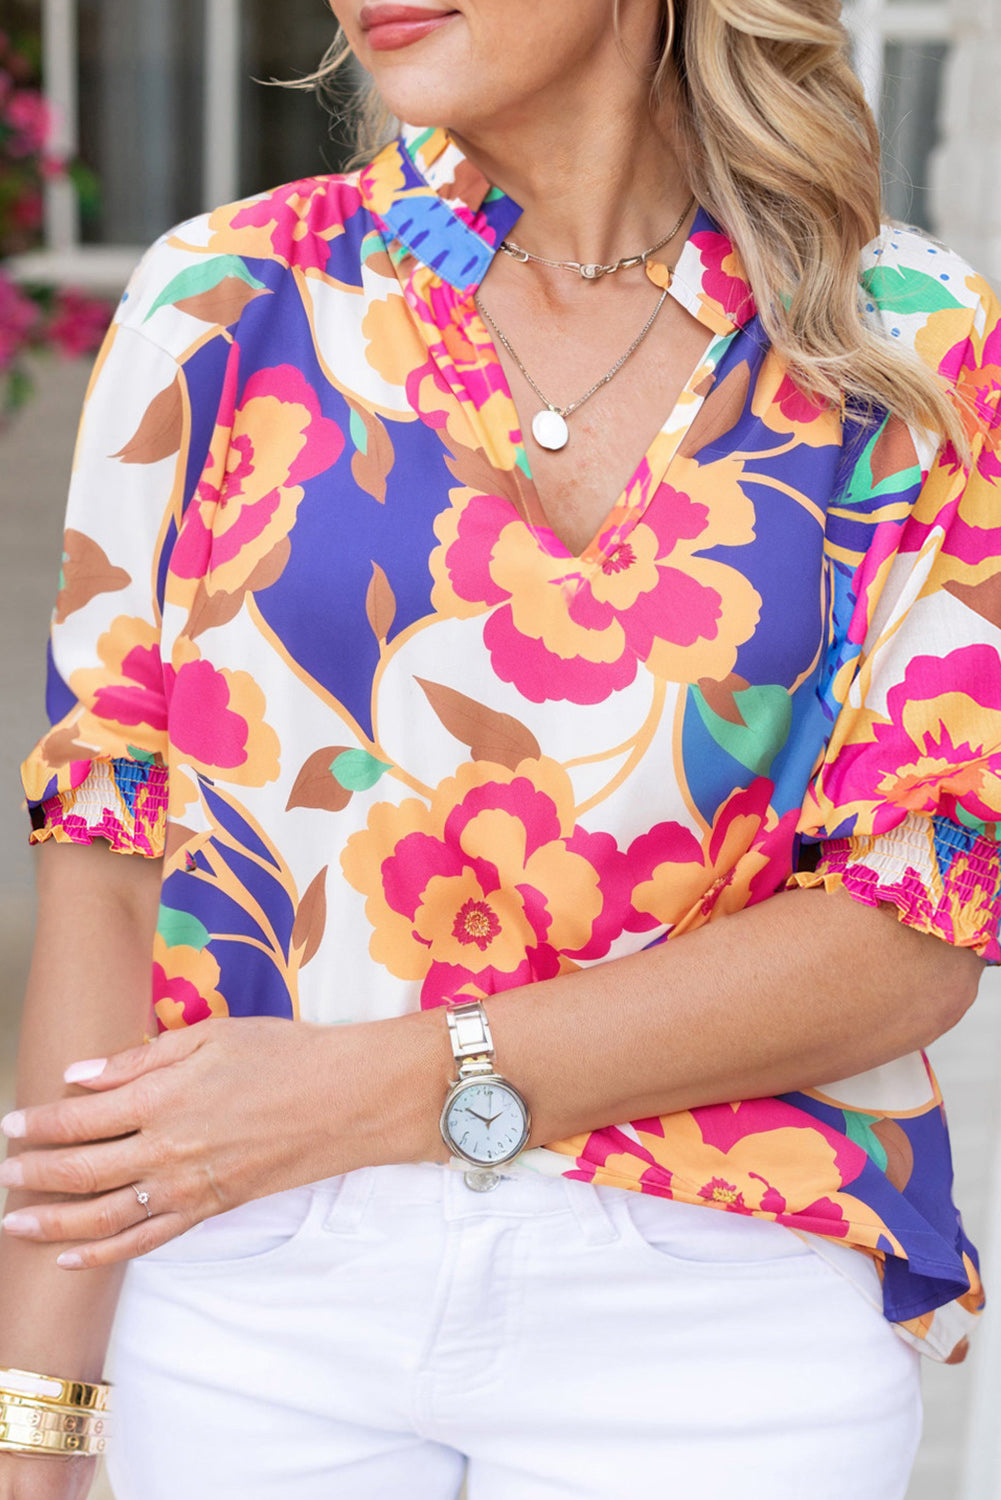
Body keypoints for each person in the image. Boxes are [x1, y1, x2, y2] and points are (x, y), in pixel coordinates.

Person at [1, 0, 999, 1495]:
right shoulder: (224, 302)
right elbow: (107, 868)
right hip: (249, 1289)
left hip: (722, 1313)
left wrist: (379, 1086)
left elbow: (909, 937)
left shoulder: (904, 340)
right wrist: (37, 1420)